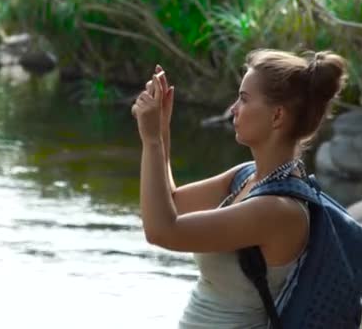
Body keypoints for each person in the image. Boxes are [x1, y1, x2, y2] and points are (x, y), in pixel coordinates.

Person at [131, 49, 348, 328]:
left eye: (244, 99)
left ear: (277, 116)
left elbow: (161, 230)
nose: (233, 109)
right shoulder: (245, 177)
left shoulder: (278, 210)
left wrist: (150, 141)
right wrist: (161, 129)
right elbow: (169, 203)